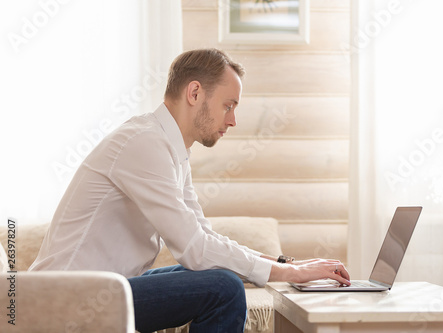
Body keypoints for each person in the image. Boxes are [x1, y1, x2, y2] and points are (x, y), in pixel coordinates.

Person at [29, 48, 350, 333]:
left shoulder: (170, 149)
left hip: (101, 289)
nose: (234, 120)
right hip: (66, 299)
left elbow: (205, 239)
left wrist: (288, 265)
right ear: (195, 92)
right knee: (223, 287)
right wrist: (285, 273)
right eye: (228, 105)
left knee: (219, 269)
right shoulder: (143, 143)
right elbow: (194, 248)